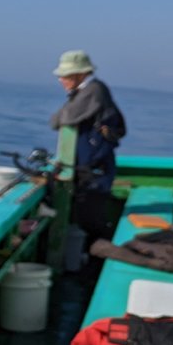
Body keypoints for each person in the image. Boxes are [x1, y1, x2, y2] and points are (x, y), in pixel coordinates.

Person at [48, 49, 127, 244]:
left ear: (79, 74)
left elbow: (60, 119)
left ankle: (95, 263)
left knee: (90, 223)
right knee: (86, 219)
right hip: (90, 169)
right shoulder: (89, 91)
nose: (61, 80)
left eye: (64, 75)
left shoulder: (93, 91)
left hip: (93, 172)